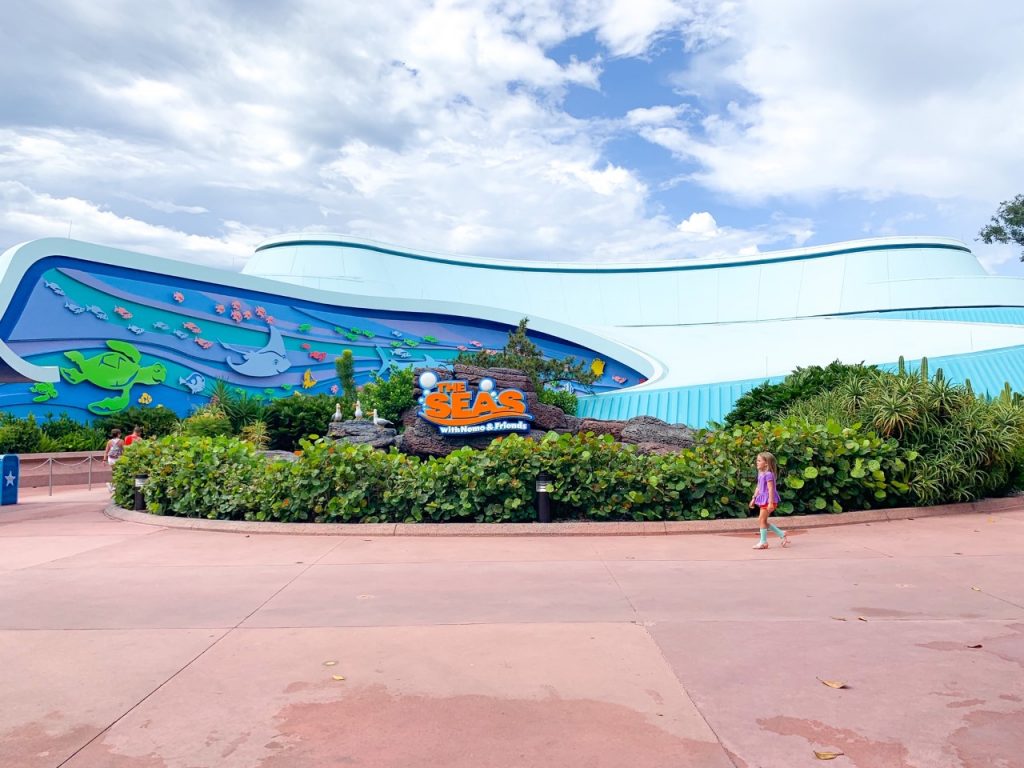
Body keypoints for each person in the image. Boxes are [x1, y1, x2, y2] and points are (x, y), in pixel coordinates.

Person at [748, 451, 789, 550]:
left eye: (759, 460)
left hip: (769, 500)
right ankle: (780, 533)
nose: (756, 462)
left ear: (766, 463)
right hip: (763, 499)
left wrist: (770, 503)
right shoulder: (761, 473)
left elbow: (771, 489)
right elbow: (758, 487)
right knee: (763, 520)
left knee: (761, 520)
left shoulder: (768, 474)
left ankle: (763, 542)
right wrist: (753, 498)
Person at [104, 428, 124, 494]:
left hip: (111, 459)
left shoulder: (109, 442)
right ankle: (112, 485)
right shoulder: (121, 441)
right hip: (118, 459)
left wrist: (104, 460)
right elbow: (124, 450)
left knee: (114, 472)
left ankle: (112, 485)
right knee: (119, 472)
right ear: (118, 434)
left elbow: (106, 452)